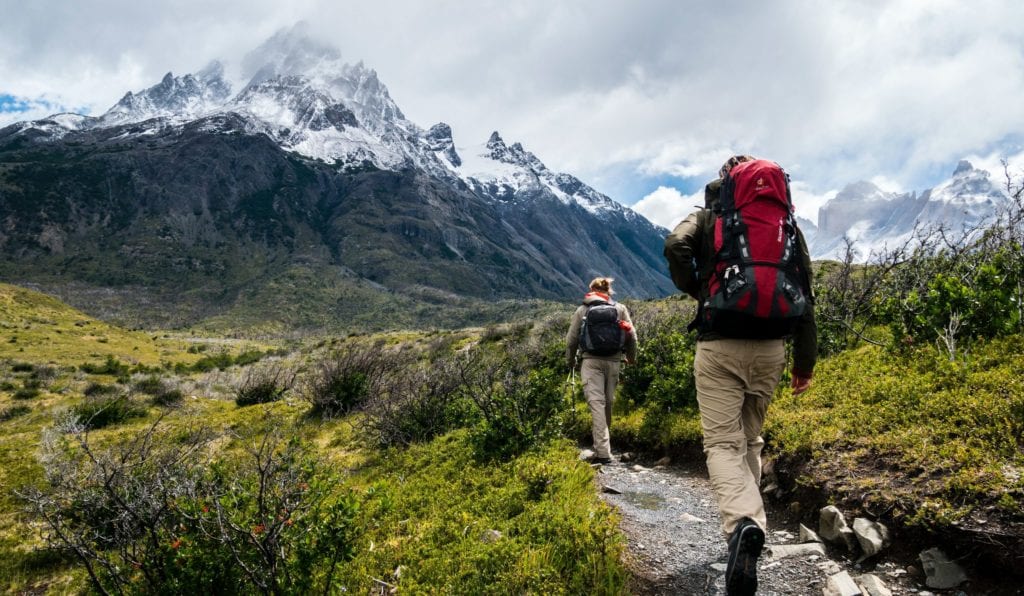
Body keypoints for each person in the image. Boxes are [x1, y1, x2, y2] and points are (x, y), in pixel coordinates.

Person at [664, 155, 817, 596]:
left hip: (719, 344)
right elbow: (804, 290)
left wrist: (698, 287)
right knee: (750, 438)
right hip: (772, 348)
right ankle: (753, 525)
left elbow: (675, 246)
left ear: (726, 182)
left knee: (721, 444)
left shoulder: (710, 217)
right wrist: (804, 363)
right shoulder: (785, 225)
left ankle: (743, 524)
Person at [565, 277, 638, 465]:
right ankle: (604, 447)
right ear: (609, 291)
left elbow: (571, 340)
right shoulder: (619, 309)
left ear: (591, 290)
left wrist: (571, 361)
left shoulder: (583, 310)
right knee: (607, 404)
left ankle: (603, 452)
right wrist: (631, 358)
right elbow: (632, 336)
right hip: (614, 362)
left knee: (596, 404)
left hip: (590, 362)